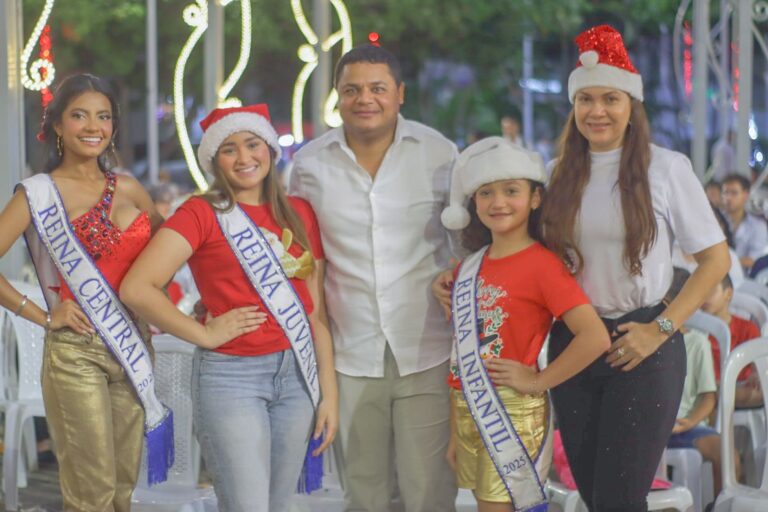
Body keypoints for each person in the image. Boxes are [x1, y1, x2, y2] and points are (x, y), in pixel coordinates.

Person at [541, 25, 729, 511]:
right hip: (574, 344)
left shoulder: (665, 169)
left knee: (619, 501)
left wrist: (660, 329)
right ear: (573, 105)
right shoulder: (557, 173)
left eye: (610, 98)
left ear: (631, 106)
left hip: (642, 344)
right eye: (585, 99)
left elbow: (715, 261)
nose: (597, 111)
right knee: (596, 496)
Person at [121, 104, 338, 512]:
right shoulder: (202, 213)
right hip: (231, 378)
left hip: (297, 377)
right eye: (229, 149)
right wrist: (204, 333)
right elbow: (137, 288)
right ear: (214, 161)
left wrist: (329, 395)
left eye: (252, 144)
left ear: (270, 150)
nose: (243, 158)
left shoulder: (300, 213)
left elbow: (315, 314)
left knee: (276, 505)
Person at [289, 45, 458, 511]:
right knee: (364, 493)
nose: (366, 99)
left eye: (378, 88)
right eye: (352, 90)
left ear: (399, 94)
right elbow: (298, 258)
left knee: (429, 492)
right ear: (338, 98)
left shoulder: (439, 153)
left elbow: (467, 245)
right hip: (348, 351)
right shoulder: (308, 165)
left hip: (427, 346)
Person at [0, 73, 173, 511]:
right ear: (57, 125)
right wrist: (41, 314)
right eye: (79, 115)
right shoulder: (38, 194)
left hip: (133, 344)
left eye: (104, 116)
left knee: (121, 488)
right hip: (75, 352)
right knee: (90, 491)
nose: (93, 126)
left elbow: (167, 253)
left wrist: (157, 298)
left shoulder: (131, 188)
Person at [440, 137, 610, 511]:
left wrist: (537, 380)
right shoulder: (469, 265)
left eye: (511, 191)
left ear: (535, 198)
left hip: (512, 410)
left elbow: (595, 337)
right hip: (466, 404)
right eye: (486, 193)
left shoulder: (543, 265)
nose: (498, 202)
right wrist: (456, 430)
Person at [664, 268, 737, 500]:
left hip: (686, 427)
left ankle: (718, 505)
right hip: (651, 429)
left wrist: (689, 422)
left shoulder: (696, 343)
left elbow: (708, 397)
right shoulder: (646, 343)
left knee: (727, 455)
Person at [701, 273, 760, 384]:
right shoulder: (692, 328)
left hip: (741, 385)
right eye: (701, 291)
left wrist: (756, 376)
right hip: (704, 388)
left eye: (712, 290)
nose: (705, 296)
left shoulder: (748, 328)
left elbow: (759, 366)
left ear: (728, 293)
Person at [721, 173, 768, 271]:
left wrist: (722, 261)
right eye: (725, 192)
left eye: (734, 193)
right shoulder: (715, 222)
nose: (728, 198)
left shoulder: (758, 226)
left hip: (747, 281)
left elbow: (754, 260)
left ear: (745, 195)